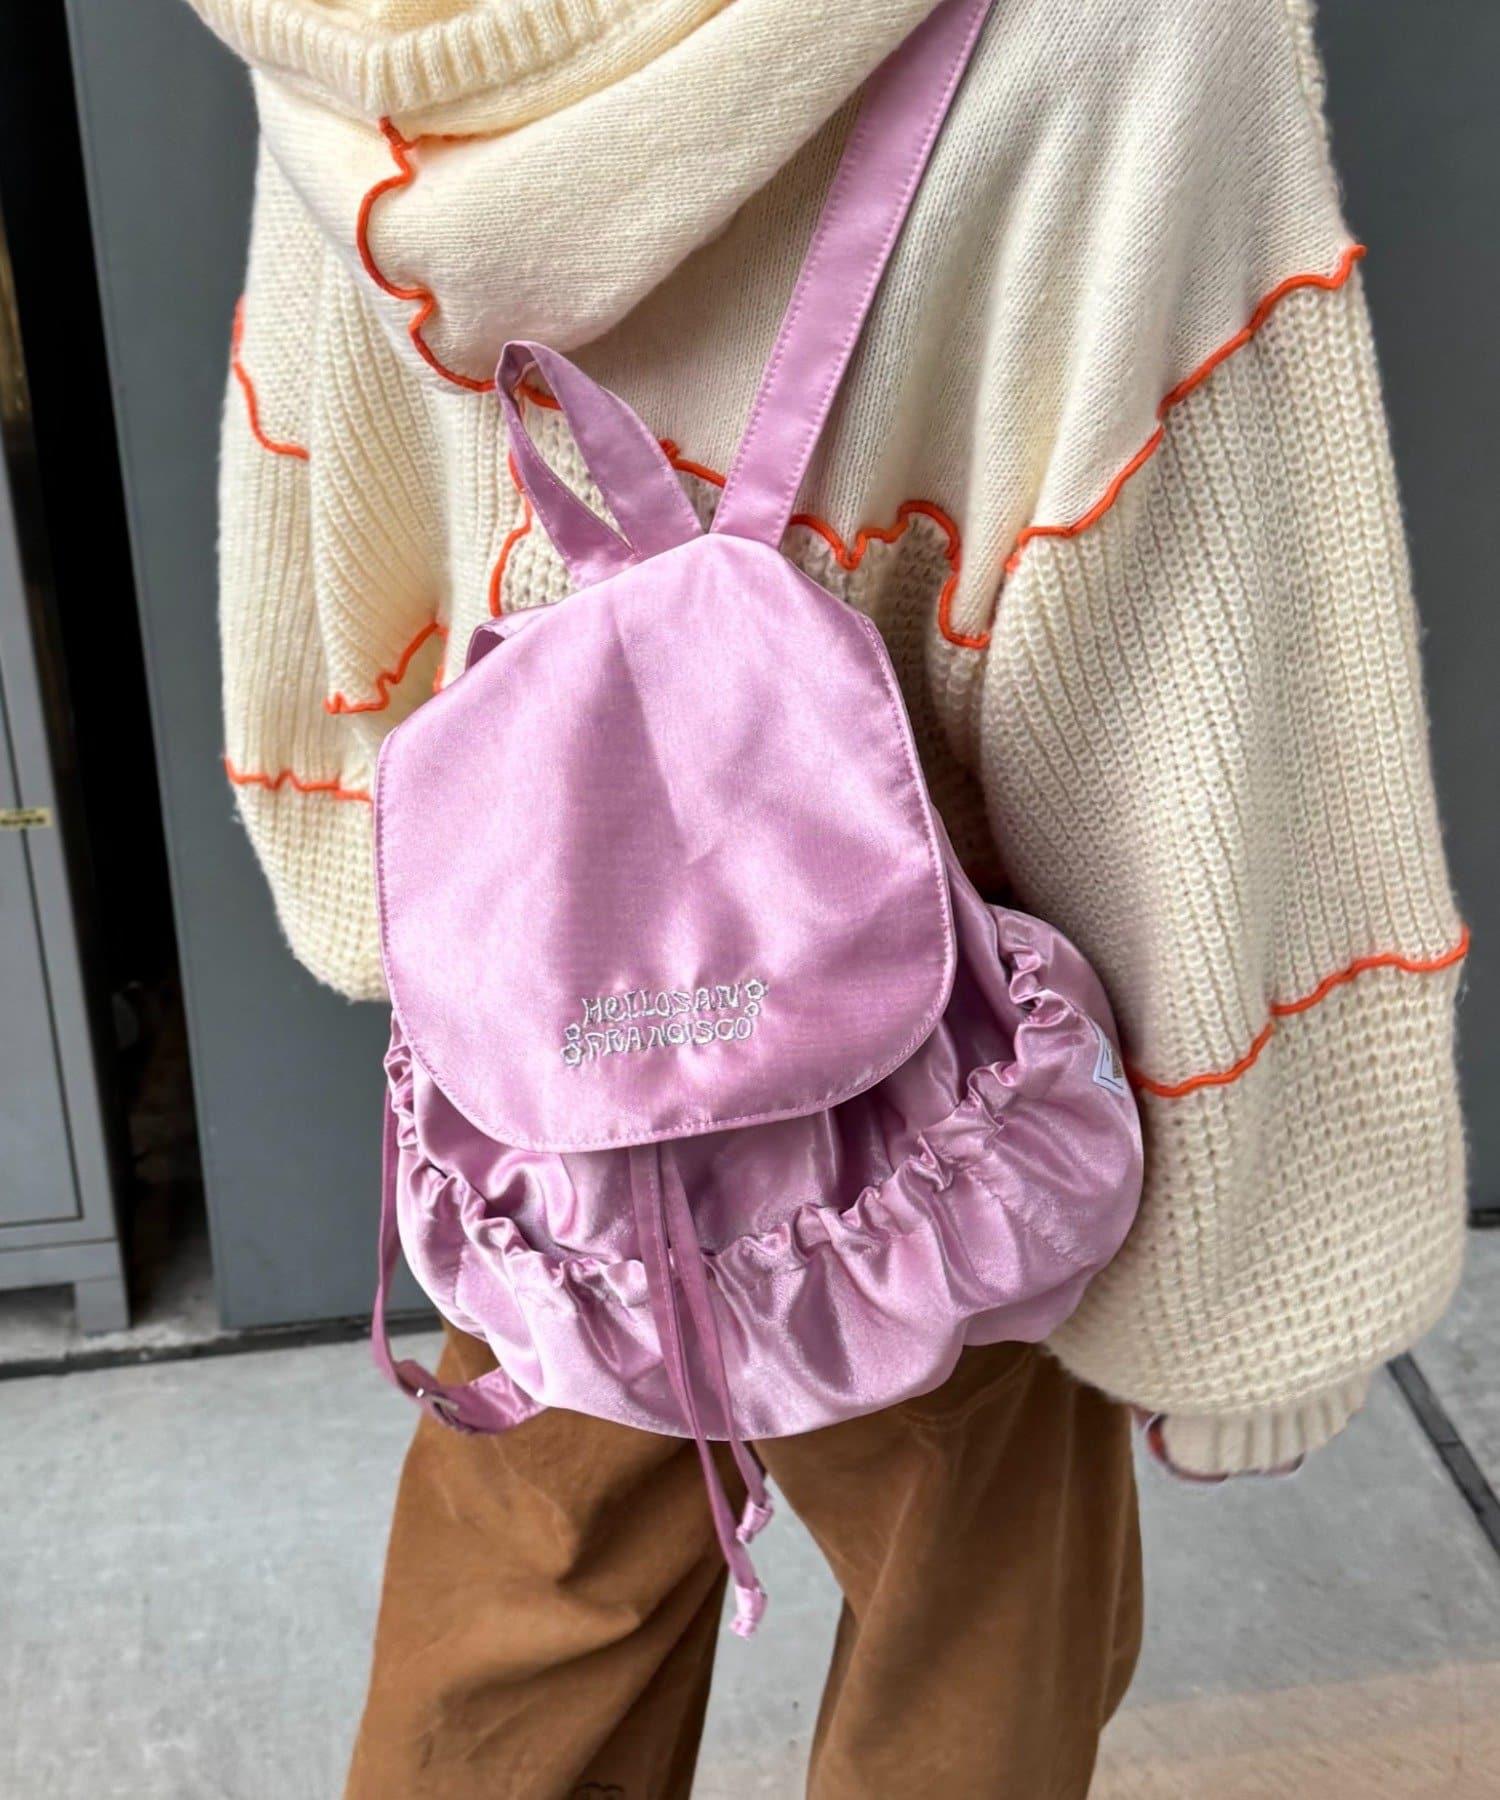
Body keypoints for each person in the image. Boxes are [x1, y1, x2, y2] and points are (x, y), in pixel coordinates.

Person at [186, 0, 1467, 1791]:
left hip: (557, 1028)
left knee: (524, 1609)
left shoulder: (367, 32)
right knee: (973, 1642)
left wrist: (411, 924)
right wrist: (1255, 1257)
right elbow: (1196, 692)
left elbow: (319, 492)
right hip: (930, 1059)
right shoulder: (1140, 30)